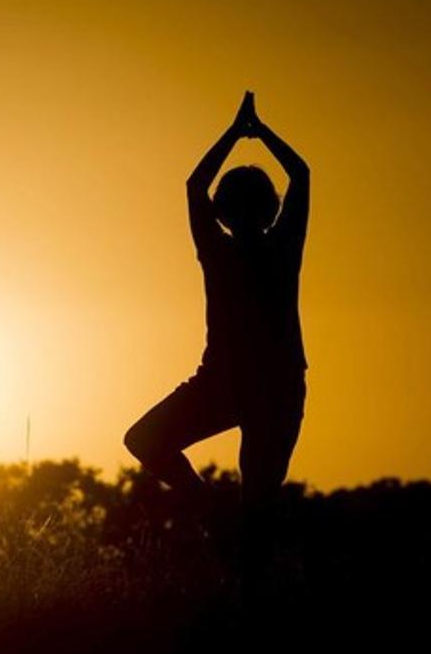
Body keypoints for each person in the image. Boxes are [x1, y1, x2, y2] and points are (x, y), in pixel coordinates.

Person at [122, 91, 310, 610]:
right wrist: (254, 130)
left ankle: (245, 596)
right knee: (147, 441)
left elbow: (197, 184)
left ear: (231, 212)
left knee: (259, 507)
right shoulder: (246, 248)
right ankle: (217, 518)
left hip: (271, 389)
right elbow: (301, 174)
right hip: (226, 384)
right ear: (231, 214)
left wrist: (239, 130)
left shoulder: (255, 247)